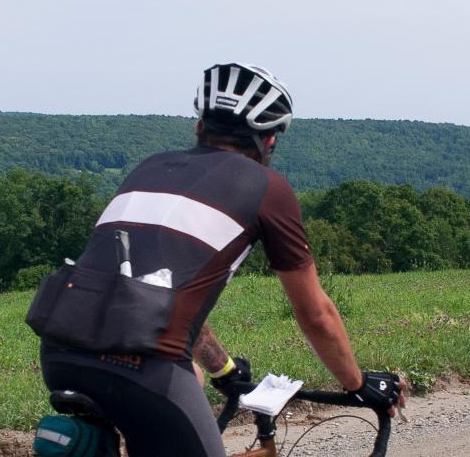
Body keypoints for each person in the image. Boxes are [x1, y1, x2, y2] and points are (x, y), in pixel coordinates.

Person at [29, 63, 403, 457]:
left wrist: (222, 369)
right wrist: (358, 384)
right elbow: (316, 314)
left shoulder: (150, 167)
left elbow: (151, 290)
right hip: (141, 368)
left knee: (184, 383)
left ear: (199, 127)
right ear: (270, 141)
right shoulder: (268, 188)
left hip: (59, 353)